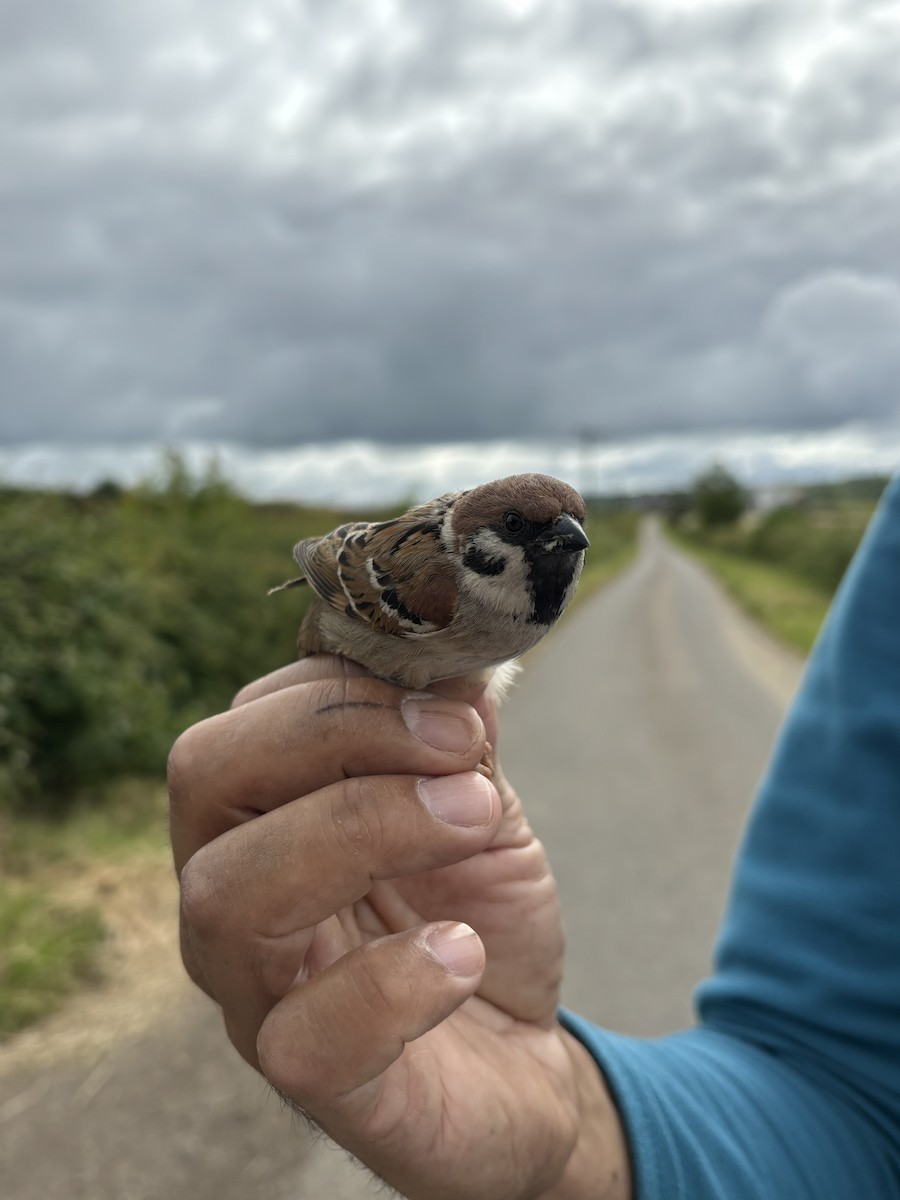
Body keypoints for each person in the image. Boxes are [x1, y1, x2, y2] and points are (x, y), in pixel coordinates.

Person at [168, 474, 900, 1199]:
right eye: (523, 531)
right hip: (349, 640)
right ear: (478, 543)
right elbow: (841, 1068)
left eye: (571, 530)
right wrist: (571, 1129)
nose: (563, 543)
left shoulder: (543, 581)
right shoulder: (435, 584)